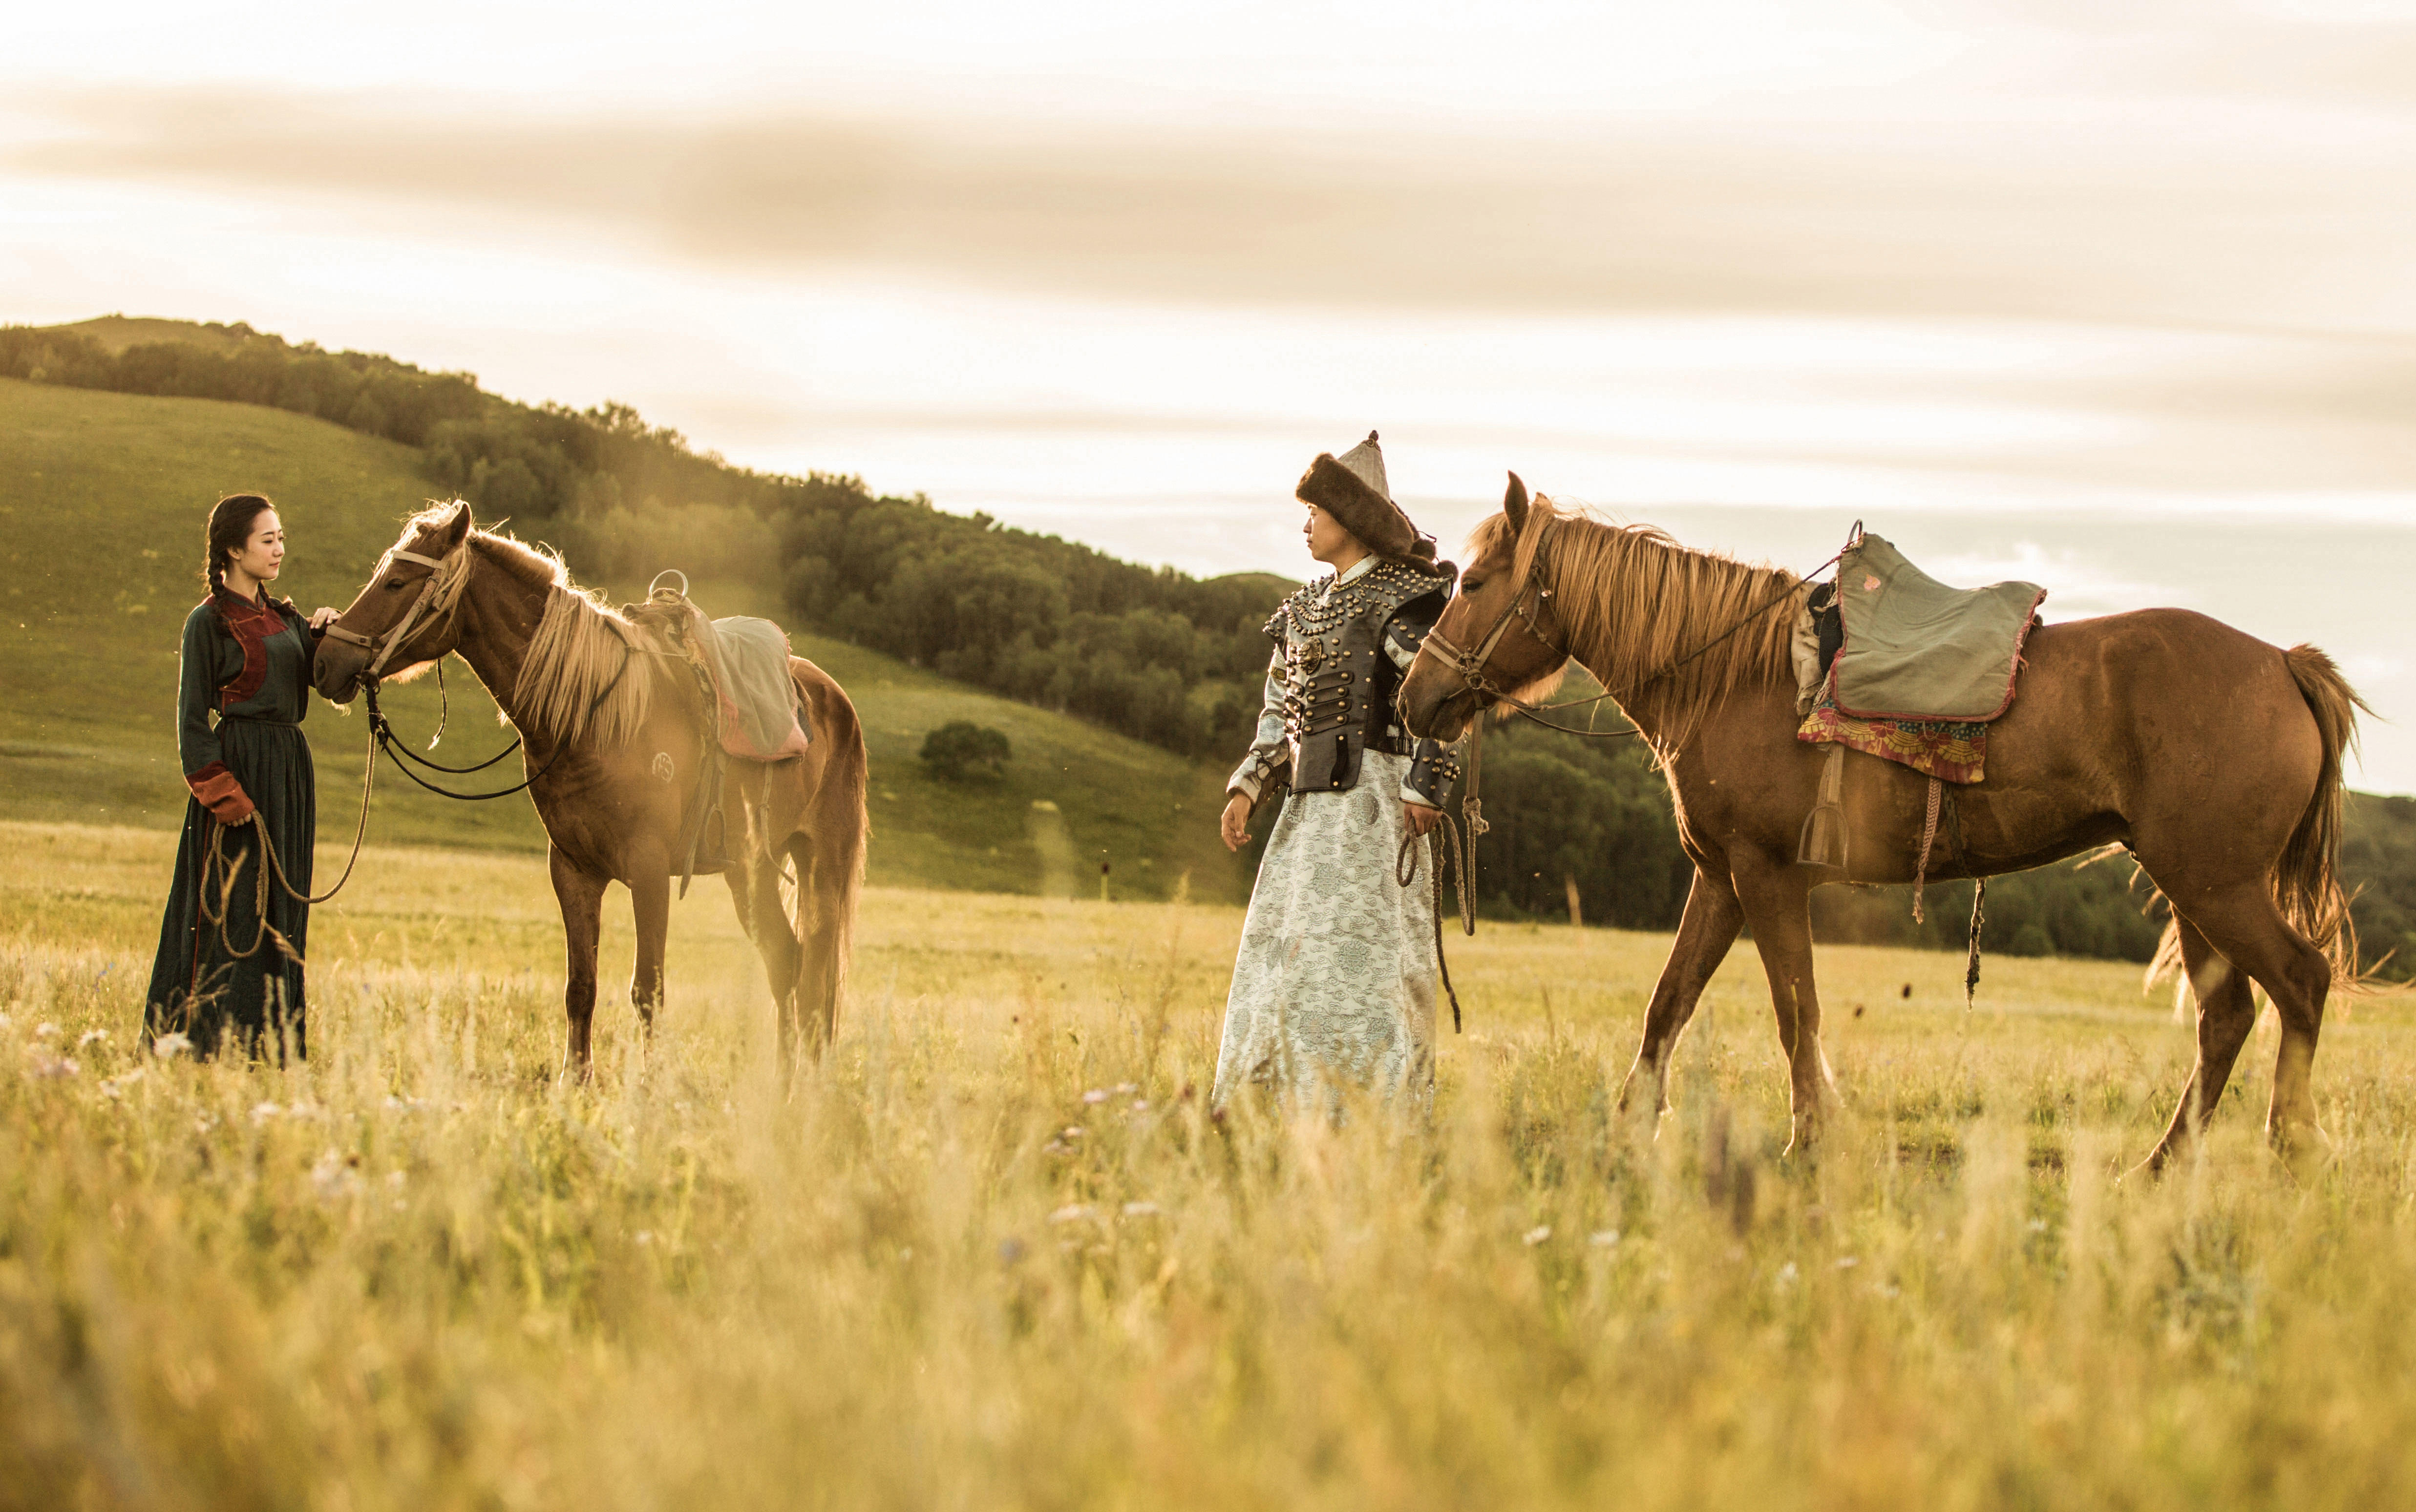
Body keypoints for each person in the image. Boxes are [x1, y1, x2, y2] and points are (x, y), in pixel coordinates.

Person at [1212, 432, 1459, 1114]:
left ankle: (1370, 1110)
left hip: (1378, 807)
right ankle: (1277, 1104)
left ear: (1347, 520)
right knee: (1286, 954)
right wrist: (1249, 784)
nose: (1305, 526)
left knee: (1368, 960)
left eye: (1314, 513)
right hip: (1307, 813)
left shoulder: (1406, 598)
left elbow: (1441, 698)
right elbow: (1278, 708)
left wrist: (1425, 783)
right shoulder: (1303, 607)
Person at [145, 494, 341, 1060]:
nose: (280, 549)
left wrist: (327, 635)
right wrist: (223, 794)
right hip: (241, 774)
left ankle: (273, 1049)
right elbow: (190, 723)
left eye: (281, 537)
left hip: (289, 774)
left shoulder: (285, 618)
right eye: (267, 539)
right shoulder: (206, 623)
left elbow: (329, 684)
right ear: (234, 548)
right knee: (230, 908)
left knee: (283, 909)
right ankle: (205, 1043)